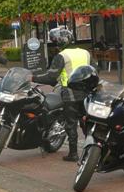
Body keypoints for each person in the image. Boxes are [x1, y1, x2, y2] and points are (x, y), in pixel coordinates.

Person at [32, 28, 90, 162]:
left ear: (60, 42)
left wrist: (33, 78)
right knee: (86, 122)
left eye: (55, 43)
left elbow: (51, 77)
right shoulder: (85, 53)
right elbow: (94, 69)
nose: (55, 46)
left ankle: (73, 154)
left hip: (70, 93)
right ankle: (91, 151)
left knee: (71, 124)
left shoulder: (62, 56)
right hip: (86, 92)